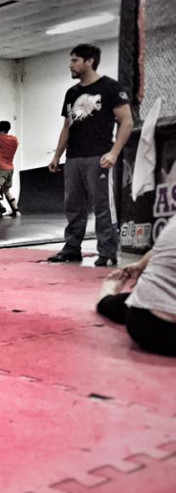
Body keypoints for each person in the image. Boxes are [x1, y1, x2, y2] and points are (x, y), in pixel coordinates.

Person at [47, 43, 133, 266]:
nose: (70, 65)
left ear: (89, 61)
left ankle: (107, 251)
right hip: (74, 157)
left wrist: (114, 153)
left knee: (102, 206)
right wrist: (57, 156)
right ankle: (71, 248)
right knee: (73, 205)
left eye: (75, 60)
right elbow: (67, 126)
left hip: (99, 156)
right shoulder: (72, 93)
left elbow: (127, 121)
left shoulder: (110, 88)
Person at [96, 216, 176, 356]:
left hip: (143, 322)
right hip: (158, 327)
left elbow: (159, 251)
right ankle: (108, 299)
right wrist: (140, 266)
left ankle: (107, 299)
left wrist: (141, 265)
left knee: (135, 302)